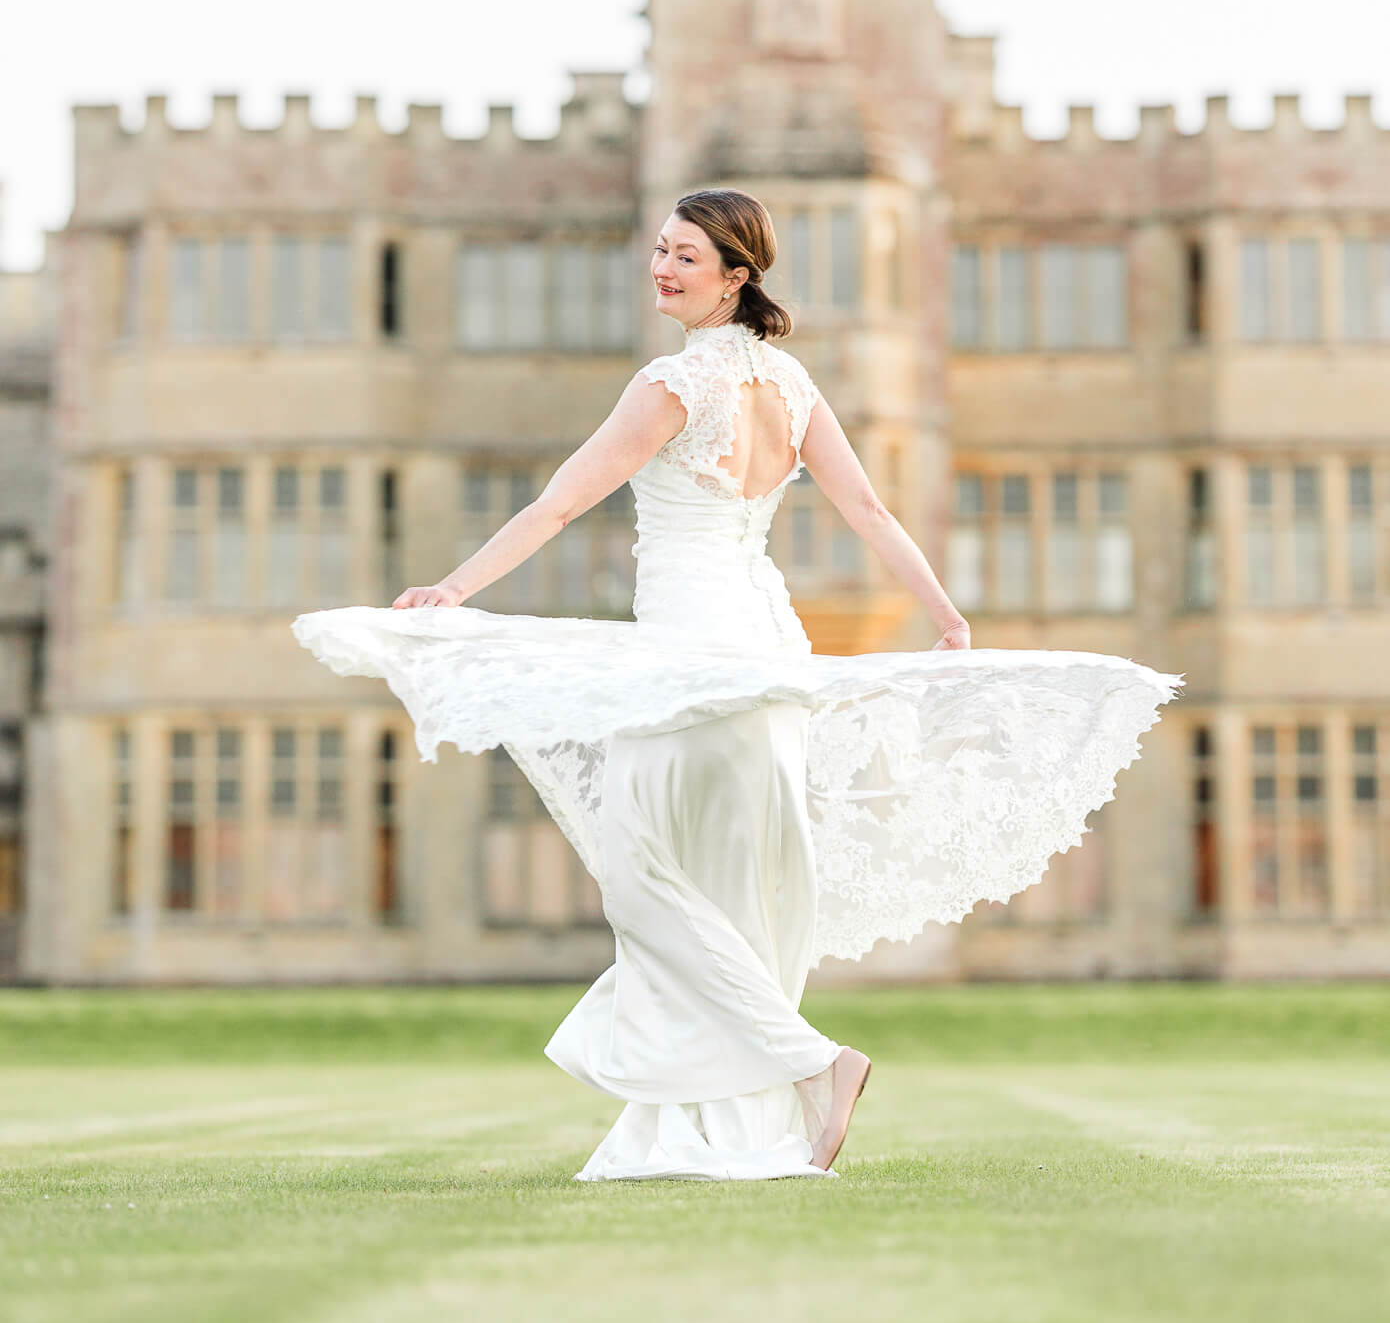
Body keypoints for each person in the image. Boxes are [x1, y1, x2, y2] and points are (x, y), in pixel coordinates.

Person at [293, 188, 1180, 1182]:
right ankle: (721, 1126)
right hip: (766, 645)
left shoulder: (669, 385)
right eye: (659, 252)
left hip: (695, 650)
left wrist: (454, 589)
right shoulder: (791, 386)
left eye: (684, 256)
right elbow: (873, 512)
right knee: (728, 888)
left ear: (735, 275)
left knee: (641, 874)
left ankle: (814, 1063)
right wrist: (943, 611)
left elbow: (555, 507)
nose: (662, 269)